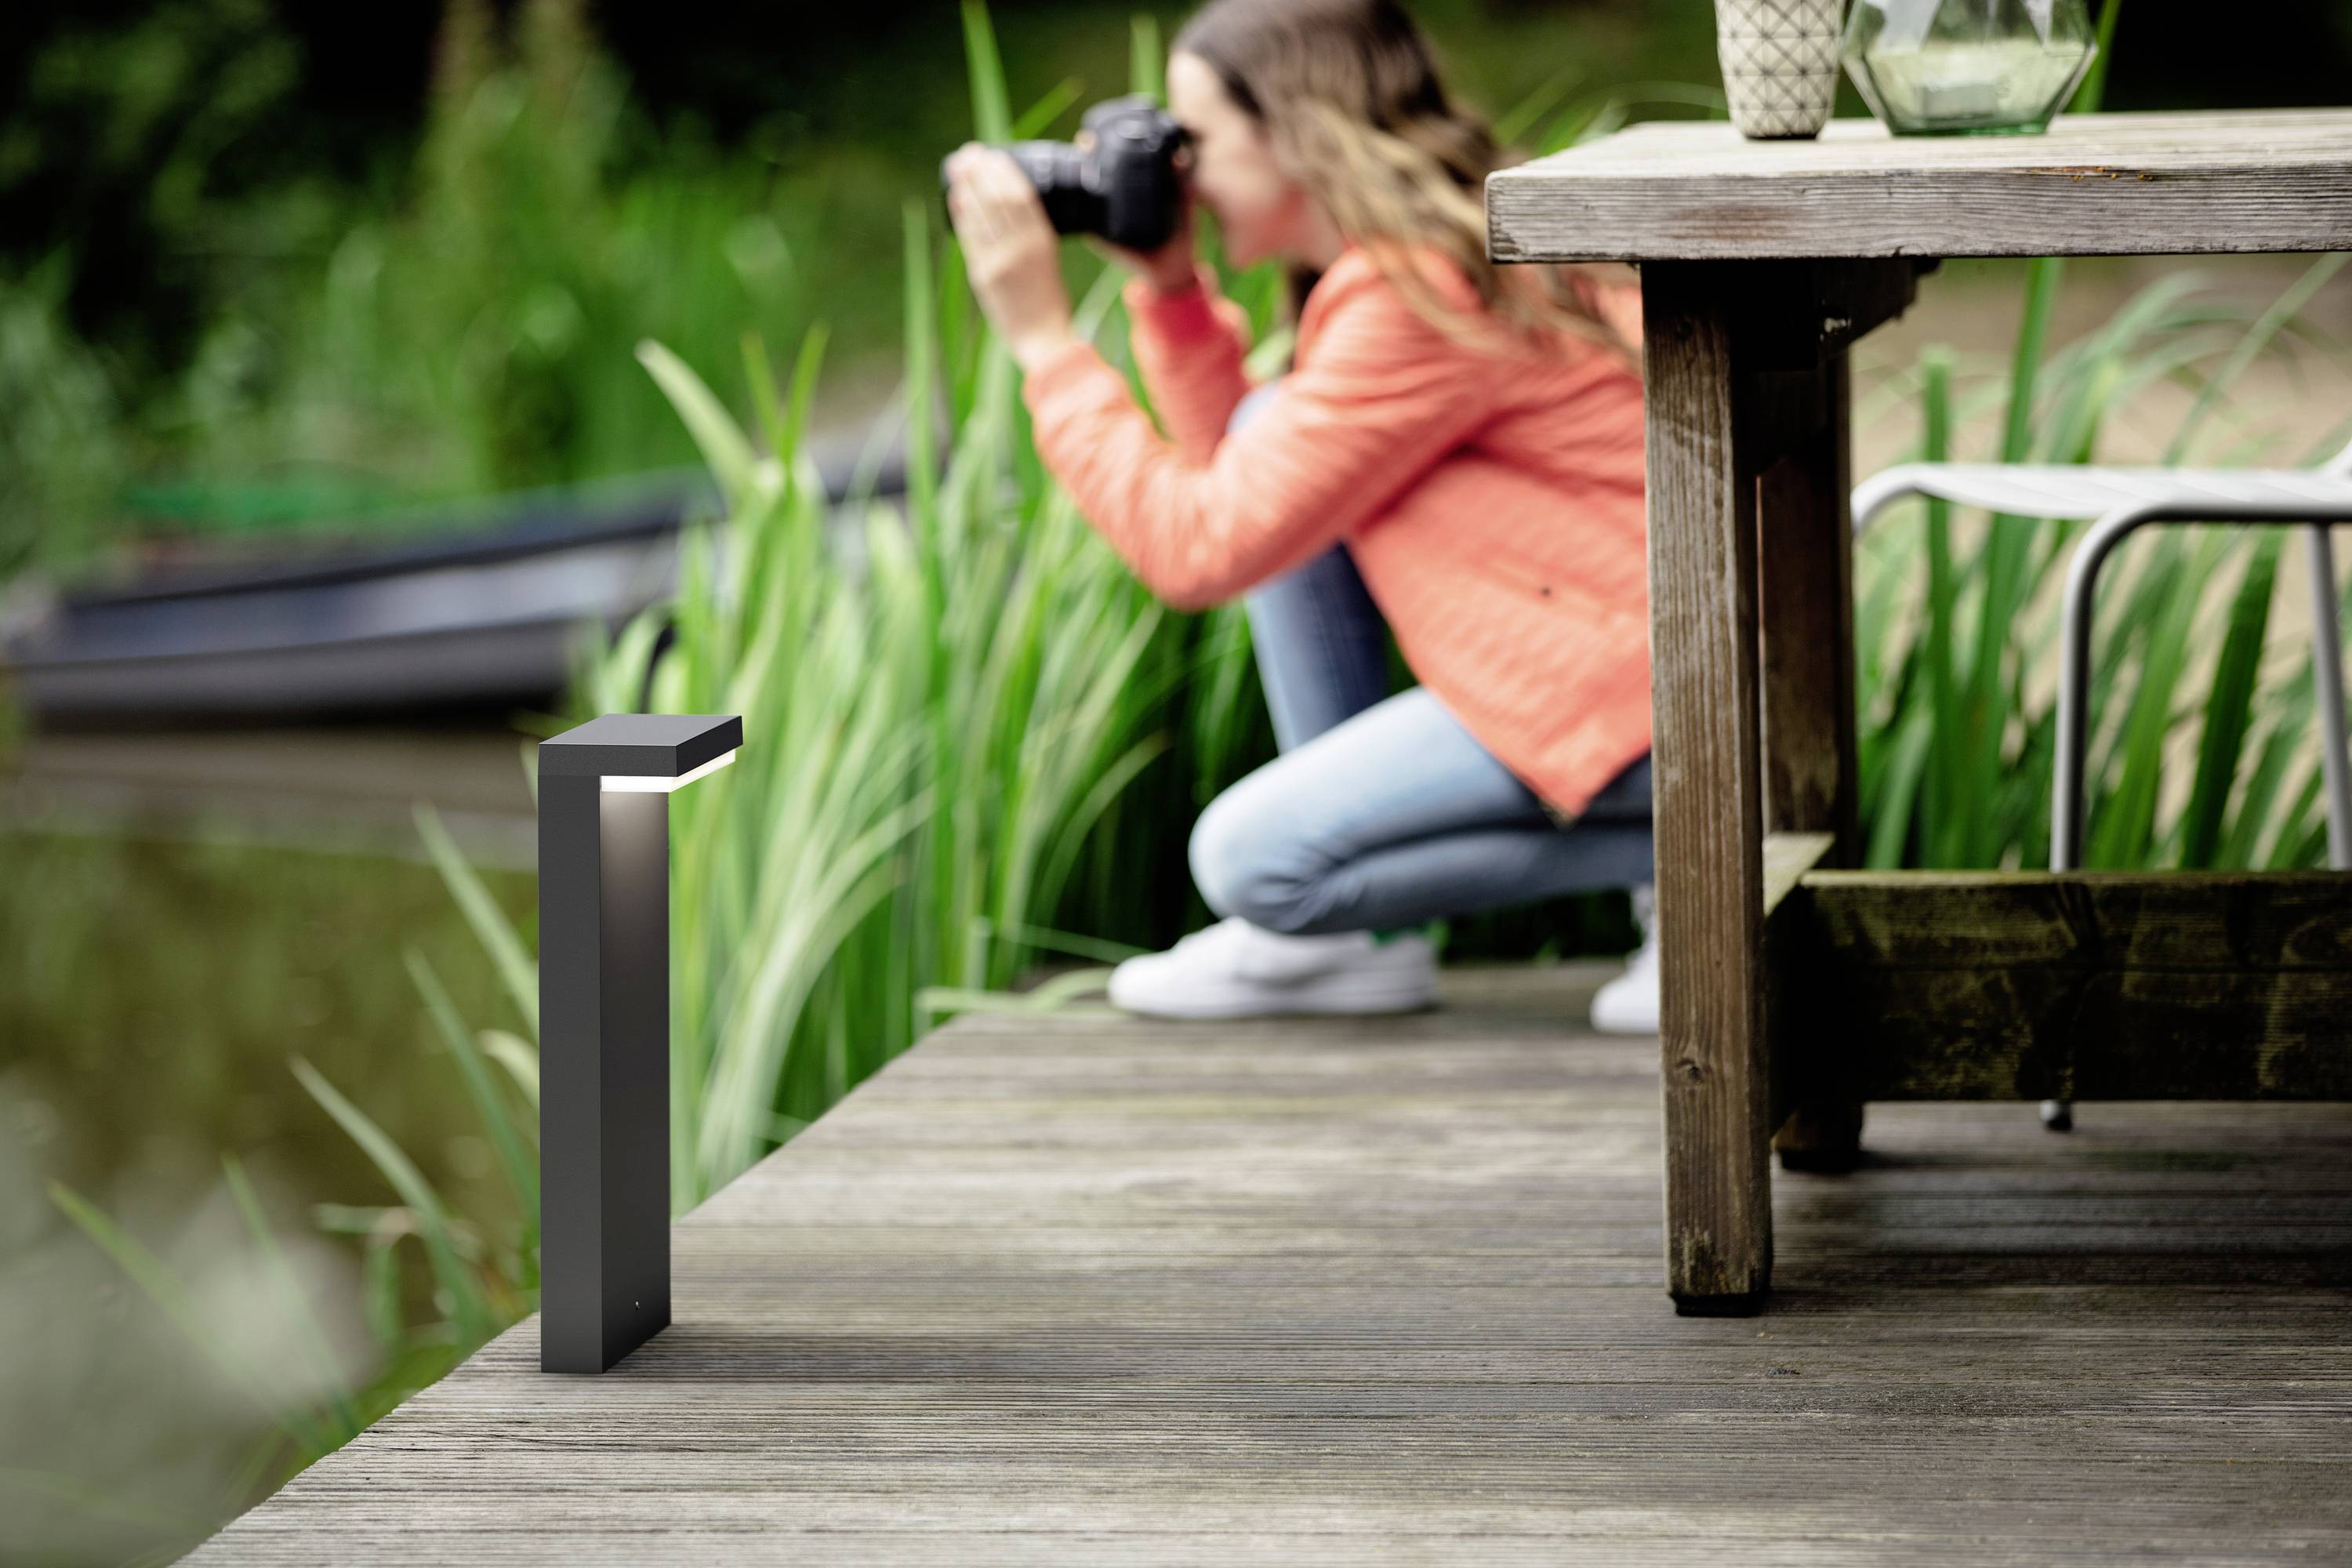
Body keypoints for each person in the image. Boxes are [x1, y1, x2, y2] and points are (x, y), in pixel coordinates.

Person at [942, 0, 1658, 1031]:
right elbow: (1248, 489)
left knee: (1253, 860)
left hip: (1641, 697)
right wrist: (1170, 290)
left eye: (1197, 141)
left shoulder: (1418, 294)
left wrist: (1045, 343)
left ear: (1294, 127)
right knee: (1277, 422)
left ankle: (1684, 863)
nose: (1179, 174)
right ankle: (1361, 949)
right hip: (1632, 658)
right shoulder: (1429, 259)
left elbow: (1199, 548)